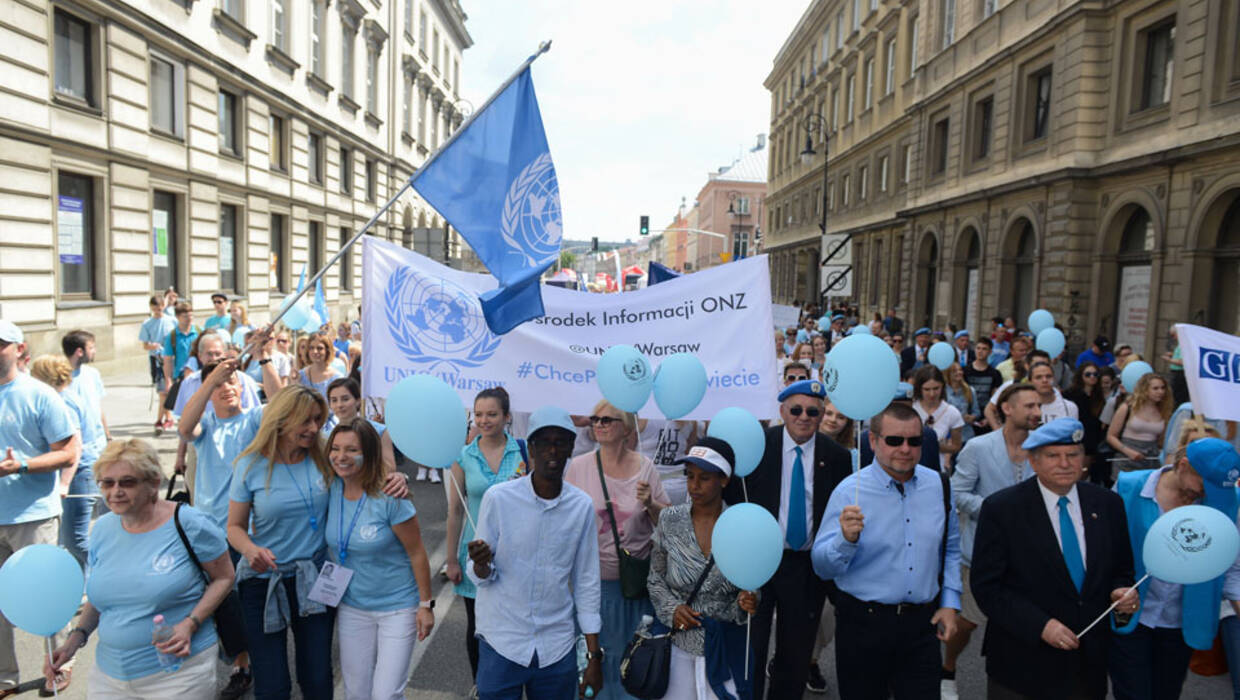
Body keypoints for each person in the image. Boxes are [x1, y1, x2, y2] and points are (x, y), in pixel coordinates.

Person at [45, 439, 235, 699]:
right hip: (109, 675)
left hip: (180, 673)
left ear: (153, 483)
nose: (116, 491)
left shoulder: (190, 523)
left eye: (128, 482)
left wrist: (190, 623)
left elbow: (225, 577)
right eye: (107, 483)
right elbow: (101, 598)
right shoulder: (102, 528)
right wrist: (74, 641)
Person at [970, 418, 1138, 699]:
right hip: (1022, 662)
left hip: (1087, 664)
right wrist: (1041, 626)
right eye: (1053, 456)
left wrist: (1121, 592)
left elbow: (1122, 568)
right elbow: (988, 587)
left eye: (1073, 455)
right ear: (1033, 462)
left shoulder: (1107, 504)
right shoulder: (1002, 509)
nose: (1065, 463)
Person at [813, 402, 962, 699]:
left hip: (922, 625)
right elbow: (821, 566)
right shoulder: (848, 491)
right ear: (873, 441)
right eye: (894, 440)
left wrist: (950, 602)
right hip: (863, 625)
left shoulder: (939, 486)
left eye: (914, 441)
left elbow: (952, 547)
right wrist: (845, 539)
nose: (905, 449)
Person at [721, 380, 853, 700]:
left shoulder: (836, 456)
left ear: (822, 415)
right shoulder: (757, 446)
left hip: (805, 567)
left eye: (813, 411)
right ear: (782, 411)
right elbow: (732, 497)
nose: (804, 416)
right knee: (751, 646)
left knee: (794, 655)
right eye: (796, 410)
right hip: (758, 563)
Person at [466, 406, 604, 699]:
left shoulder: (581, 507)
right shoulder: (499, 499)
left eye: (561, 442)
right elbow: (480, 574)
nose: (552, 451)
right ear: (530, 448)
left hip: (556, 646)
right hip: (502, 641)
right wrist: (481, 564)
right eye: (543, 442)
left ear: (571, 448)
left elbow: (587, 582)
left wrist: (593, 657)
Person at [1109, 437, 1240, 700]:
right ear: (1183, 465)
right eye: (1205, 484)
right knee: (1132, 693)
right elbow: (1103, 549)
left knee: (1166, 693)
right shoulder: (1130, 487)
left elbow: (1230, 569)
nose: (1207, 494)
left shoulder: (1225, 502)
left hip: (1182, 623)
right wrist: (1114, 588)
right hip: (1132, 616)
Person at [565, 400, 670, 700]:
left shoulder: (644, 466)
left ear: (625, 427)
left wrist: (650, 503)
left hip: (635, 591)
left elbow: (670, 522)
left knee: (632, 672)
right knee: (593, 672)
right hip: (592, 589)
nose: (598, 424)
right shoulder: (579, 466)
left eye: (607, 420)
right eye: (596, 419)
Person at [324, 419, 435, 700]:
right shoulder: (329, 488)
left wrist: (425, 605)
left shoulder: (390, 495)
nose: (341, 457)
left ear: (370, 453)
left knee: (386, 694)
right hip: (352, 607)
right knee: (356, 692)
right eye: (335, 449)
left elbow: (418, 553)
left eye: (352, 449)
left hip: (398, 608)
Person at [0, 319, 82, 697]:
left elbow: (68, 451)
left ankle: (59, 664)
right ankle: (4, 677)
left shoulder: (39, 394)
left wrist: (24, 465)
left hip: (32, 514)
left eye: (1, 343)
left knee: (45, 597)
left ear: (19, 349)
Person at [943, 383, 1041, 697]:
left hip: (1028, 557)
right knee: (966, 624)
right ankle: (947, 668)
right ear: (1007, 409)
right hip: (980, 552)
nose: (1037, 412)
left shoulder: (1044, 449)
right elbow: (957, 493)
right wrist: (994, 510)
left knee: (1019, 624)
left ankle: (1010, 683)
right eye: (1029, 406)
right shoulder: (979, 448)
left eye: (1039, 406)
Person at [647, 438, 759, 700]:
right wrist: (672, 609)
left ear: (724, 480)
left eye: (704, 478)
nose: (694, 486)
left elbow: (752, 584)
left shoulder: (741, 525)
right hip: (676, 644)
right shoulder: (670, 519)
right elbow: (655, 579)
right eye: (689, 476)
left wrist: (748, 601)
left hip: (726, 646)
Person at [445, 388, 528, 688]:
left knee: (512, 624)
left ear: (507, 417)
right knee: (477, 626)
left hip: (517, 554)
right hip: (475, 555)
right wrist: (451, 558)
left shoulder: (524, 451)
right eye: (478, 414)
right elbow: (454, 510)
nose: (484, 420)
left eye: (492, 414)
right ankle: (482, 687)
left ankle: (511, 684)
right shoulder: (463, 456)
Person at [28, 356, 89, 563]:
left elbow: (75, 445)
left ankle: (98, 578)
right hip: (77, 471)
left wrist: (64, 484)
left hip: (77, 473)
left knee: (75, 540)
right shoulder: (67, 395)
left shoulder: (61, 401)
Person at [58, 331, 110, 565]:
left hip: (101, 455)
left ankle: (107, 569)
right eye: (92, 347)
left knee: (108, 521)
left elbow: (98, 409)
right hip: (81, 460)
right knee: (74, 537)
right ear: (79, 351)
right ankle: (99, 572)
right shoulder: (62, 378)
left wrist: (109, 439)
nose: (95, 351)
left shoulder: (93, 374)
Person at [1106, 372, 1174, 476]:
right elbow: (1111, 436)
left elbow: (1162, 440)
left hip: (1151, 459)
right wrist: (1128, 451)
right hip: (1126, 459)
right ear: (1145, 390)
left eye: (1162, 388)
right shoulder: (1127, 407)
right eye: (1155, 388)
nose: (1160, 392)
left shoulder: (1164, 411)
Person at [323, 378, 396, 474]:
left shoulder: (379, 430)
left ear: (357, 400)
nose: (339, 405)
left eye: (345, 399)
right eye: (334, 400)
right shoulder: (325, 436)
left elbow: (390, 467)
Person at [911, 366, 964, 472]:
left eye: (936, 388)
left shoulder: (952, 413)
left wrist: (933, 446)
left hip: (937, 467)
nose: (932, 394)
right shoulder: (911, 408)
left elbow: (956, 446)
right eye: (927, 389)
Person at [633, 418, 696, 506]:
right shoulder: (690, 419)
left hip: (647, 485)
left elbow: (627, 451)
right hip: (679, 487)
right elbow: (690, 451)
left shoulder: (641, 417)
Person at [1064, 362, 1108, 485]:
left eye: (1095, 374)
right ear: (1081, 376)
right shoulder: (1071, 394)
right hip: (1075, 437)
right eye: (1088, 374)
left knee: (1084, 474)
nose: (1092, 377)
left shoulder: (1099, 396)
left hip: (1092, 440)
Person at [139, 294, 177, 433]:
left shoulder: (172, 321)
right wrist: (152, 346)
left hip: (169, 359)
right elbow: (144, 345)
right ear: (151, 307)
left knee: (164, 391)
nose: (158, 309)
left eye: (160, 307)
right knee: (163, 391)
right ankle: (168, 417)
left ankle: (160, 420)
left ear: (164, 306)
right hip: (156, 359)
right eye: (155, 307)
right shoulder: (147, 323)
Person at [162, 301, 200, 389]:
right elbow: (168, 360)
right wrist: (168, 381)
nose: (189, 318)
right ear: (177, 317)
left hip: (198, 375)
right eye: (185, 316)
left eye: (191, 315)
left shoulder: (199, 332)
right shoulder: (172, 336)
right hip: (180, 378)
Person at [944, 363, 980, 445]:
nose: (959, 372)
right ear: (948, 374)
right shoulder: (943, 392)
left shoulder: (970, 390)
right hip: (949, 436)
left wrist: (972, 417)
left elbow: (977, 411)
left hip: (967, 435)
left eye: (960, 370)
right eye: (955, 371)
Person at [298, 334, 341, 402]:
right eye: (311, 348)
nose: (315, 352)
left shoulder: (337, 377)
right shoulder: (300, 375)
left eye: (319, 348)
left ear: (327, 351)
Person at [1161, 325, 1189, 406]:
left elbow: (1182, 361)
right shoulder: (1181, 344)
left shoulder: (1184, 344)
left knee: (1176, 395)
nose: (1173, 338)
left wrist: (1169, 360)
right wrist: (1172, 354)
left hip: (1179, 373)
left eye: (1174, 335)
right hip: (1177, 373)